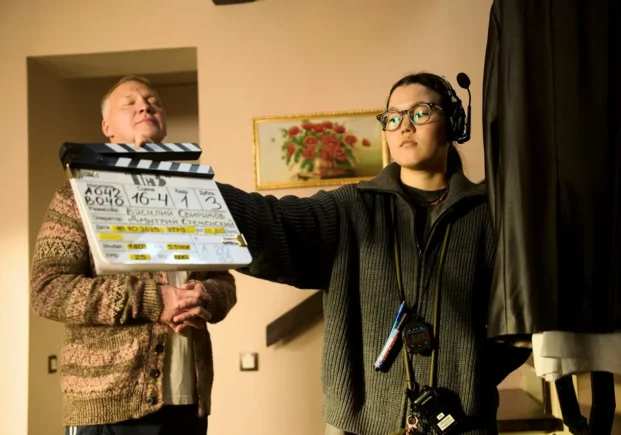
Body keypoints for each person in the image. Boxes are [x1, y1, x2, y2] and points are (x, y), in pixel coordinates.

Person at [173, 72, 530, 434]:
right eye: (393, 117)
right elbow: (272, 221)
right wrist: (186, 195)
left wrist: (470, 372)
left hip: (463, 425)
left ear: (453, 122)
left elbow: (521, 317)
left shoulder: (490, 216)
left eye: (420, 112)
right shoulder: (350, 208)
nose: (405, 126)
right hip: (358, 427)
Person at [30, 75, 237, 435]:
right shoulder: (75, 195)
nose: (145, 106)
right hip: (107, 404)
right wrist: (156, 299)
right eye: (130, 103)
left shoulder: (194, 196)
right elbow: (47, 289)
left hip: (189, 402)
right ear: (107, 128)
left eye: (153, 101)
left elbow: (223, 280)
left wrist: (205, 296)